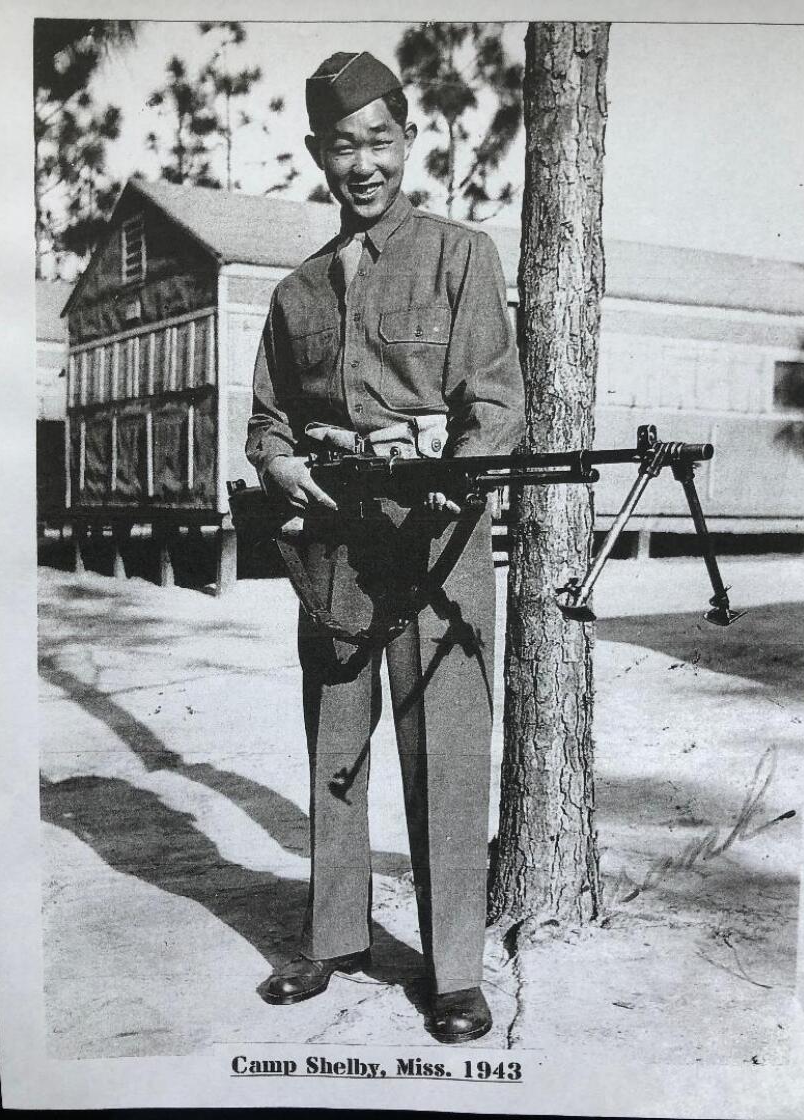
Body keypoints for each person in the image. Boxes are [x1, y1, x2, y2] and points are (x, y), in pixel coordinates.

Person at [246, 50, 525, 1044]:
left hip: (435, 536)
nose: (361, 163)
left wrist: (453, 469)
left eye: (379, 141)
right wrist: (281, 469)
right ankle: (334, 937)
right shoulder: (297, 292)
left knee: (444, 747)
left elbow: (493, 400)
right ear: (318, 154)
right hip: (331, 543)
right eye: (341, 145)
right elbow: (268, 425)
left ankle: (453, 971)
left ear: (405, 143)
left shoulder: (460, 257)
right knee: (336, 743)